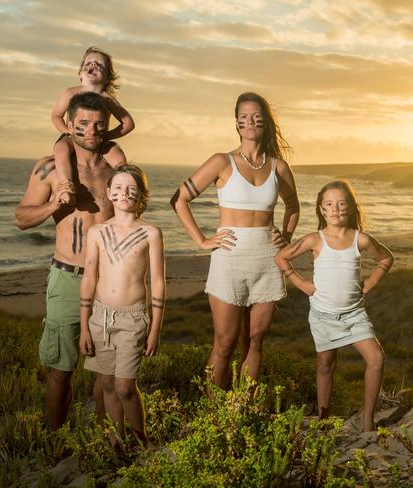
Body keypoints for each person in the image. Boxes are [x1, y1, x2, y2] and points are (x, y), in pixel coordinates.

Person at [171, 92, 300, 388]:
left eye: (256, 117)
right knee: (224, 343)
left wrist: (287, 238)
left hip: (267, 260)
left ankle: (243, 410)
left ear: (265, 122)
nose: (249, 122)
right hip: (229, 259)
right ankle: (217, 417)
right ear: (237, 124)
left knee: (255, 342)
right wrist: (202, 240)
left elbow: (293, 207)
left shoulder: (278, 167)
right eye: (243, 118)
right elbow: (180, 200)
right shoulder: (221, 162)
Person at [15, 91, 126, 430]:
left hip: (110, 280)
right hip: (67, 278)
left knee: (106, 370)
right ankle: (53, 440)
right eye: (83, 124)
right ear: (70, 125)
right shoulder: (50, 169)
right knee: (61, 370)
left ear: (106, 128)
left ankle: (102, 439)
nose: (91, 131)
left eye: (98, 125)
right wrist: (55, 206)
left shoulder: (116, 172)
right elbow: (21, 218)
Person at [274, 180, 394, 432]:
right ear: (321, 209)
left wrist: (370, 282)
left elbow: (386, 257)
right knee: (325, 365)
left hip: (354, 314)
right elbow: (281, 257)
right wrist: (301, 283)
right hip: (323, 315)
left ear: (350, 207)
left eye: (341, 203)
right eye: (330, 204)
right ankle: (324, 419)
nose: (336, 209)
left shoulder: (360, 239)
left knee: (376, 358)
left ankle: (367, 419)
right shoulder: (313, 240)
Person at [79, 164, 165, 446]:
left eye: (131, 188)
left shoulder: (150, 232)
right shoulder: (97, 232)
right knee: (105, 384)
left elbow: (158, 281)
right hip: (100, 318)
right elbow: (89, 277)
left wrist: (155, 329)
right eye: (117, 188)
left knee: (124, 387)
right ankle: (117, 442)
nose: (124, 193)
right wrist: (84, 326)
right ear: (109, 194)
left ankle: (142, 439)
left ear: (141, 195)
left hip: (133, 318)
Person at [51, 46, 135, 204]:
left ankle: (126, 184)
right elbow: (56, 116)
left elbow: (128, 123)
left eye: (99, 65)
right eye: (88, 63)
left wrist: (105, 136)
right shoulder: (71, 93)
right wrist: (68, 132)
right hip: (73, 136)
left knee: (117, 154)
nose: (93, 66)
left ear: (107, 77)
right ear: (80, 73)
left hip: (98, 139)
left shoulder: (107, 99)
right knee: (61, 148)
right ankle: (67, 188)